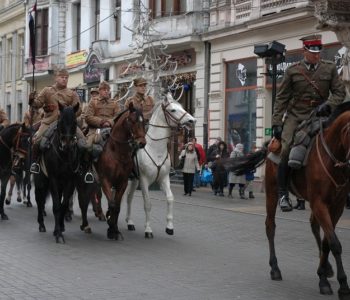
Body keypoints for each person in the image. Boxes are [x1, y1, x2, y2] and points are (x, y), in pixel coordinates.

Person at [271, 34, 346, 212]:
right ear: (304, 51)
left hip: (322, 115)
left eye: (319, 51)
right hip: (296, 116)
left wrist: (329, 105)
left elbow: (339, 93)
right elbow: (281, 99)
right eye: (313, 52)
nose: (316, 55)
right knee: (287, 147)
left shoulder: (330, 68)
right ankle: (283, 194)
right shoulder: (293, 71)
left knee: (340, 143)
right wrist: (276, 122)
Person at [28, 68, 85, 174]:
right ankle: (35, 164)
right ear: (56, 78)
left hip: (66, 125)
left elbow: (79, 110)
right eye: (62, 77)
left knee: (83, 143)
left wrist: (69, 114)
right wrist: (31, 100)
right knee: (37, 141)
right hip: (49, 122)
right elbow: (37, 104)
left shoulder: (72, 93)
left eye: (66, 78)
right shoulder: (47, 91)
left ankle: (82, 166)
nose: (64, 80)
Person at [85, 81, 121, 156]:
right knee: (88, 147)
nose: (106, 91)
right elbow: (88, 117)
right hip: (95, 130)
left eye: (108, 90)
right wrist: (102, 122)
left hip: (111, 129)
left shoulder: (114, 103)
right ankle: (87, 166)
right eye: (104, 89)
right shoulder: (93, 102)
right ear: (100, 91)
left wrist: (110, 122)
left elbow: (118, 116)